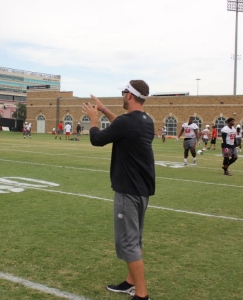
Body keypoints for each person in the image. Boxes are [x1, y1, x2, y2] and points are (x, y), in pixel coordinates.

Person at [82, 80, 154, 300]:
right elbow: (121, 125)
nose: (122, 96)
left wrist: (94, 119)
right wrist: (104, 110)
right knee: (135, 239)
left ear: (129, 96)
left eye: (123, 93)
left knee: (128, 242)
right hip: (141, 189)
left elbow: (97, 139)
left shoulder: (127, 122)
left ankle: (141, 295)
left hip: (128, 190)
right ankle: (131, 282)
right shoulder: (145, 120)